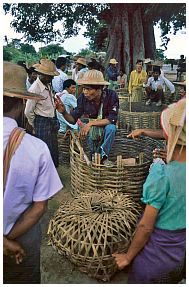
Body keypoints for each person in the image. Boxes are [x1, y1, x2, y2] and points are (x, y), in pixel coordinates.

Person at [113, 98, 186, 283]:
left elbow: (145, 227)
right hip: (181, 251)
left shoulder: (162, 174)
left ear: (170, 134)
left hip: (156, 256)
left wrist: (127, 257)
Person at [3, 61, 63, 284]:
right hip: (21, 234)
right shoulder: (35, 149)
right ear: (20, 102)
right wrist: (6, 240)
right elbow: (39, 208)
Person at [54, 69, 119, 167]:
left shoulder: (111, 95)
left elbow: (111, 119)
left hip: (105, 126)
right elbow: (73, 119)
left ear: (99, 89)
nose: (85, 92)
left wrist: (90, 123)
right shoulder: (83, 98)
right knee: (87, 133)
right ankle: (93, 155)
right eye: (84, 88)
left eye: (88, 89)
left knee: (111, 128)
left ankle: (103, 157)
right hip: (92, 130)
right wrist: (63, 112)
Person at [25, 59, 60, 167]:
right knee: (45, 150)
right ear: (42, 75)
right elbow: (28, 111)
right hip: (42, 121)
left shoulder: (48, 84)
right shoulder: (35, 89)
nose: (52, 78)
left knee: (53, 148)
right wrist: (34, 125)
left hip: (51, 120)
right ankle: (44, 175)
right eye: (50, 76)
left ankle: (52, 173)